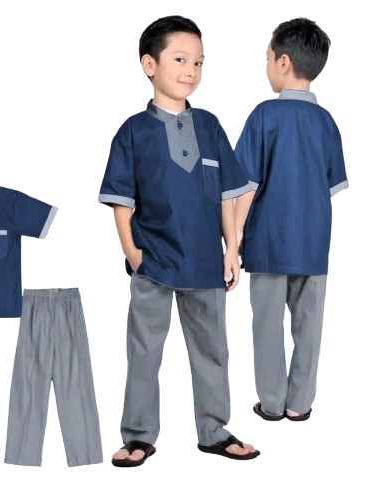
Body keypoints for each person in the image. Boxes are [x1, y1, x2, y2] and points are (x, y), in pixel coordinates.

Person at [99, 15, 259, 466]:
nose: (191, 71)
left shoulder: (209, 126)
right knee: (144, 352)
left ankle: (214, 431)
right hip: (153, 262)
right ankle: (138, 436)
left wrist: (231, 250)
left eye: (199, 62)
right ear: (149, 65)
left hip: (206, 262)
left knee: (213, 351)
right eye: (181, 60)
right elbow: (121, 201)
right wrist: (133, 254)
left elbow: (228, 194)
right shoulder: (132, 131)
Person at [234, 18, 348, 422]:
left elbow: (244, 187)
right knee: (309, 325)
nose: (266, 65)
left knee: (266, 326)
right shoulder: (327, 122)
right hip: (313, 245)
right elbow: (331, 185)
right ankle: (300, 404)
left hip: (268, 243)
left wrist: (233, 240)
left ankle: (271, 403)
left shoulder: (264, 115)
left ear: (283, 62)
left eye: (267, 57)